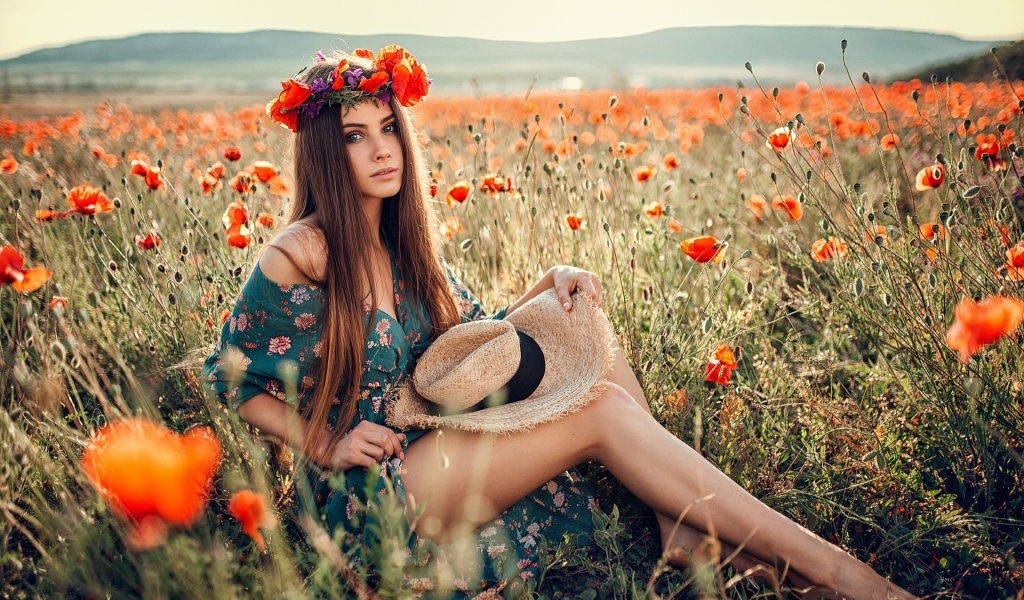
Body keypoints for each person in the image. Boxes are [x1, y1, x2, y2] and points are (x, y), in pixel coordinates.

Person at [203, 47, 915, 599]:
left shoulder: (403, 243)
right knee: (600, 408)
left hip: (437, 444)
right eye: (357, 136)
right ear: (328, 150)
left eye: (390, 127)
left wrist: (549, 285)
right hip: (375, 495)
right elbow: (228, 374)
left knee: (575, 311)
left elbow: (468, 352)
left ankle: (684, 528)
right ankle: (842, 576)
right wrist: (325, 443)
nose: (383, 148)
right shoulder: (305, 250)